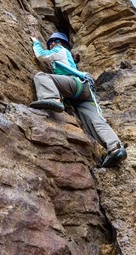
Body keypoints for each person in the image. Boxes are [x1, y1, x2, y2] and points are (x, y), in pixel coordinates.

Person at [30, 32, 127, 168]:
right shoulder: (66, 55)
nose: (52, 44)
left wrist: (36, 42)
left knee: (42, 77)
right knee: (93, 120)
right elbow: (68, 63)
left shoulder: (59, 49)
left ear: (60, 43)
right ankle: (116, 148)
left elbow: (41, 55)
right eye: (51, 42)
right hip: (84, 91)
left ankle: (52, 99)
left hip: (75, 85)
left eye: (54, 41)